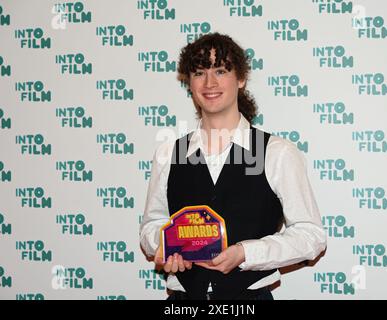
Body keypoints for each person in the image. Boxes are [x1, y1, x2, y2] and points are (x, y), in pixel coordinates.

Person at [140, 32, 327, 300]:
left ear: (240, 79)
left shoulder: (277, 153)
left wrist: (245, 253)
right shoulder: (169, 153)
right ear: (189, 83)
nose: (209, 82)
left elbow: (311, 236)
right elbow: (152, 225)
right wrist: (166, 247)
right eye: (199, 72)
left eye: (220, 71)